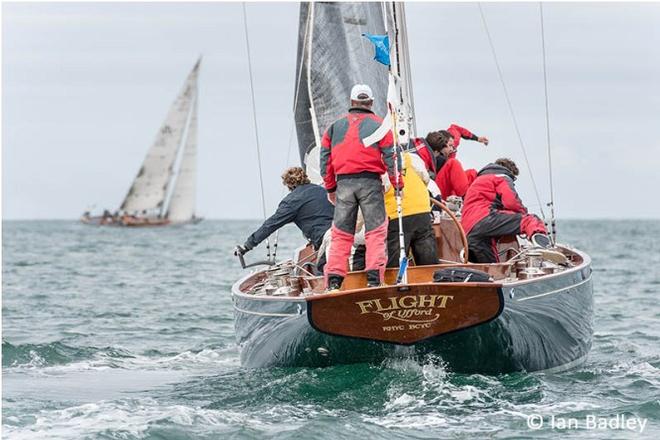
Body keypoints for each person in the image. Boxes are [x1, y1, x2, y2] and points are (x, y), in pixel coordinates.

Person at [320, 84, 402, 290]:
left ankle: (334, 283)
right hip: (370, 183)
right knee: (375, 232)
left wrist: (330, 188)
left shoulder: (333, 128)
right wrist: (397, 184)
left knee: (341, 233)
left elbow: (325, 160)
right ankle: (374, 280)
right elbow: (391, 157)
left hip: (344, 184)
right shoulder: (380, 126)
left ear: (352, 102)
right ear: (371, 103)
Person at [234, 167, 333, 273]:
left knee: (320, 272)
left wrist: (246, 246)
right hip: (344, 233)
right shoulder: (322, 190)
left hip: (327, 241)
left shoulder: (292, 201)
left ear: (288, 184)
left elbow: (270, 225)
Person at [461, 158, 551, 263]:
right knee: (530, 220)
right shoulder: (501, 176)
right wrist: (523, 214)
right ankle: (543, 244)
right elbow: (511, 202)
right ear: (510, 172)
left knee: (491, 267)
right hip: (485, 218)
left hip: (467, 228)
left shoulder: (478, 180)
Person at [383, 150, 438, 268]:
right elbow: (426, 179)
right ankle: (430, 282)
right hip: (422, 211)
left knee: (395, 264)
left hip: (397, 216)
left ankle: (396, 283)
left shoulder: (379, 166)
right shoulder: (413, 159)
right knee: (428, 261)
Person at [426, 130, 478, 199]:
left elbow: (456, 129)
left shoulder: (444, 158)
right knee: (453, 163)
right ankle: (467, 197)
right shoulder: (434, 156)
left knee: (472, 173)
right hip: (434, 191)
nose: (451, 149)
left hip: (446, 189)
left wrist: (477, 138)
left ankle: (478, 193)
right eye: (450, 146)